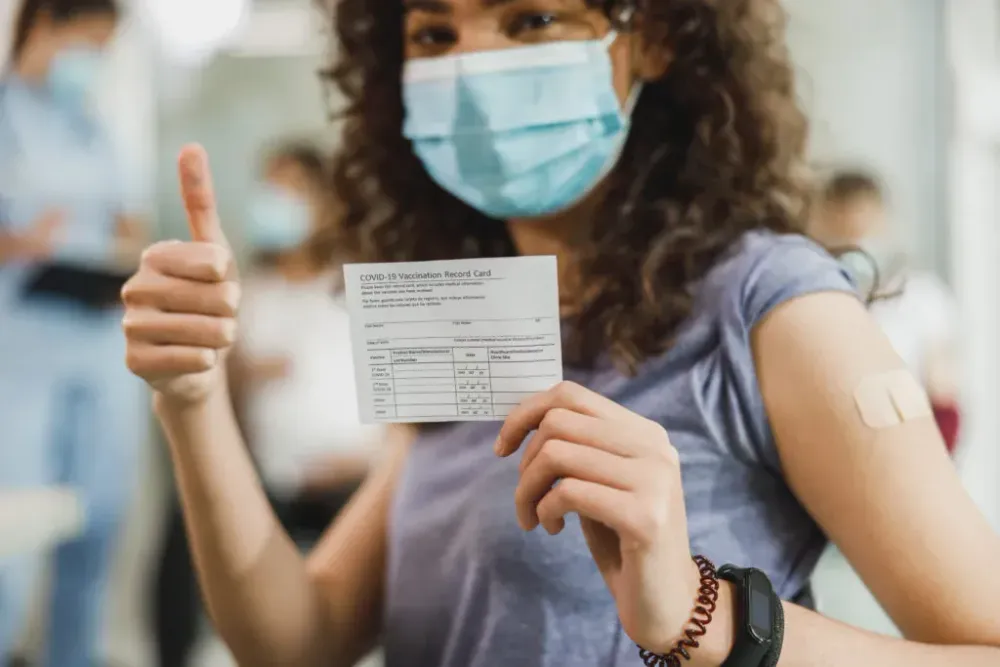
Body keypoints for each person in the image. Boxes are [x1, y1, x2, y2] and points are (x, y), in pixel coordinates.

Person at [122, 1, 1000, 666]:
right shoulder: (464, 317)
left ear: (651, 36)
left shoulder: (773, 309)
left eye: (531, 18)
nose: (472, 67)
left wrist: (705, 613)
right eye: (433, 36)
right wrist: (192, 400)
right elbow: (299, 638)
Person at [150, 142, 384, 667]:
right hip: (270, 478)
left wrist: (370, 462)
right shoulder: (246, 291)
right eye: (270, 187)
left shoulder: (355, 286)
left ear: (326, 201)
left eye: (293, 190)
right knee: (183, 523)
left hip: (352, 476)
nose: (276, 200)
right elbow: (222, 408)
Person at [0, 1, 147, 666]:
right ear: (42, 28)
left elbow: (127, 221)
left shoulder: (95, 129)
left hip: (97, 343)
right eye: (87, 41)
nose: (95, 58)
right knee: (14, 530)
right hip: (20, 352)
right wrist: (19, 243)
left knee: (97, 525)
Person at [810, 170, 962, 454]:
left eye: (862, 230)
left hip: (906, 451)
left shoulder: (922, 297)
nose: (857, 246)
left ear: (882, 223)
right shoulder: (809, 300)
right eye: (843, 233)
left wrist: (931, 462)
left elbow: (943, 395)